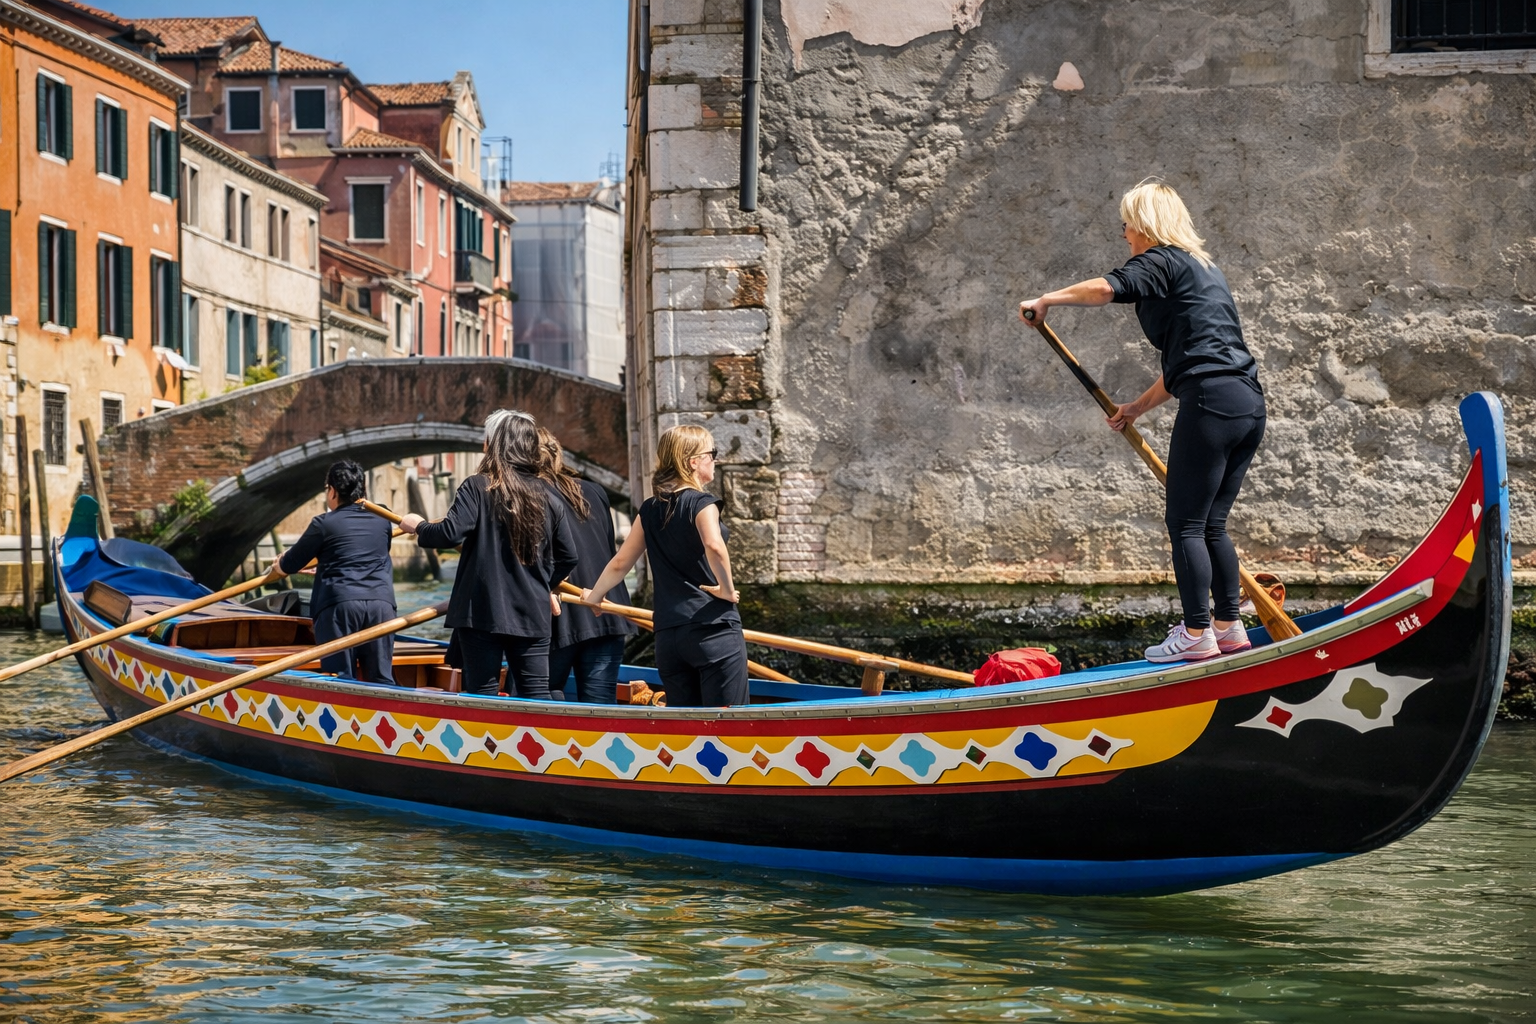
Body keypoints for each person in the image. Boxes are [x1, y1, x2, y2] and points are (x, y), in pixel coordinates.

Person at [1019, 179, 1267, 663]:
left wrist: (1047, 299)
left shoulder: (1160, 260)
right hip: (1246, 403)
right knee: (1211, 524)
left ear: (1146, 225)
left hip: (1211, 403)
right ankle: (1228, 627)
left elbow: (1105, 288)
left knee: (1186, 524)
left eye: (1127, 223)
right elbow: (1191, 360)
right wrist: (1135, 407)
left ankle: (1196, 634)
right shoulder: (1204, 269)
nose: (1124, 233)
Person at [398, 412, 579, 698]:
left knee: (482, 693)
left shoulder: (477, 487)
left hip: (481, 611)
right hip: (531, 611)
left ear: (495, 445)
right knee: (536, 693)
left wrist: (418, 526)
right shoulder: (549, 495)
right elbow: (568, 557)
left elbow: (448, 534)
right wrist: (543, 585)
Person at [580, 425, 748, 707]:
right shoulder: (703, 503)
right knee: (729, 723)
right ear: (693, 462)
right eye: (712, 453)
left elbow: (620, 562)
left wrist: (595, 596)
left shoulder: (649, 509)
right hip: (712, 629)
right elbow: (714, 545)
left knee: (684, 725)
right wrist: (727, 590)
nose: (715, 460)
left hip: (669, 638)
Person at [269, 459, 397, 684]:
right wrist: (326, 565)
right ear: (363, 489)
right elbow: (370, 553)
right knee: (381, 679)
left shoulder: (322, 524)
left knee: (341, 678)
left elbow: (290, 564)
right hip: (381, 606)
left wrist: (277, 565)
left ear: (333, 491)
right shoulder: (384, 518)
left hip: (340, 606)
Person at [534, 427, 637, 704]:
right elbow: (606, 548)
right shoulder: (595, 491)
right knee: (599, 705)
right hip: (606, 609)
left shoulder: (528, 495)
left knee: (541, 695)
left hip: (559, 614)